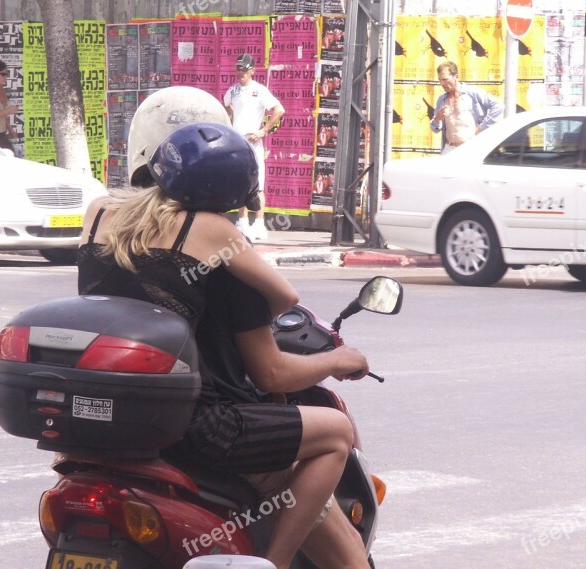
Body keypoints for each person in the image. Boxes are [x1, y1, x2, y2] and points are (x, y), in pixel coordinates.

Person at [108, 85, 371, 569]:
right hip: (201, 428)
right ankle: (272, 561)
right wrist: (337, 360)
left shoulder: (105, 221)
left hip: (119, 422)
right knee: (336, 434)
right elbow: (274, 358)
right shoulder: (220, 248)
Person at [223, 53, 285, 241]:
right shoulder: (232, 91)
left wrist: (263, 130)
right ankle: (242, 221)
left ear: (252, 71)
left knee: (256, 184)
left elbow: (279, 110)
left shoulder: (259, 90)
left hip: (253, 142)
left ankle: (258, 223)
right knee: (240, 183)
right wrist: (230, 126)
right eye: (238, 68)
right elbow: (226, 107)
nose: (241, 72)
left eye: (244, 69)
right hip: (237, 142)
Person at [430, 61, 503, 153]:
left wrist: (481, 128)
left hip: (469, 148)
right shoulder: (442, 99)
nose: (442, 83)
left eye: (445, 79)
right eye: (440, 80)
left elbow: (499, 105)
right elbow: (435, 128)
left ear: (456, 77)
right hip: (449, 148)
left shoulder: (472, 93)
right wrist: (437, 118)